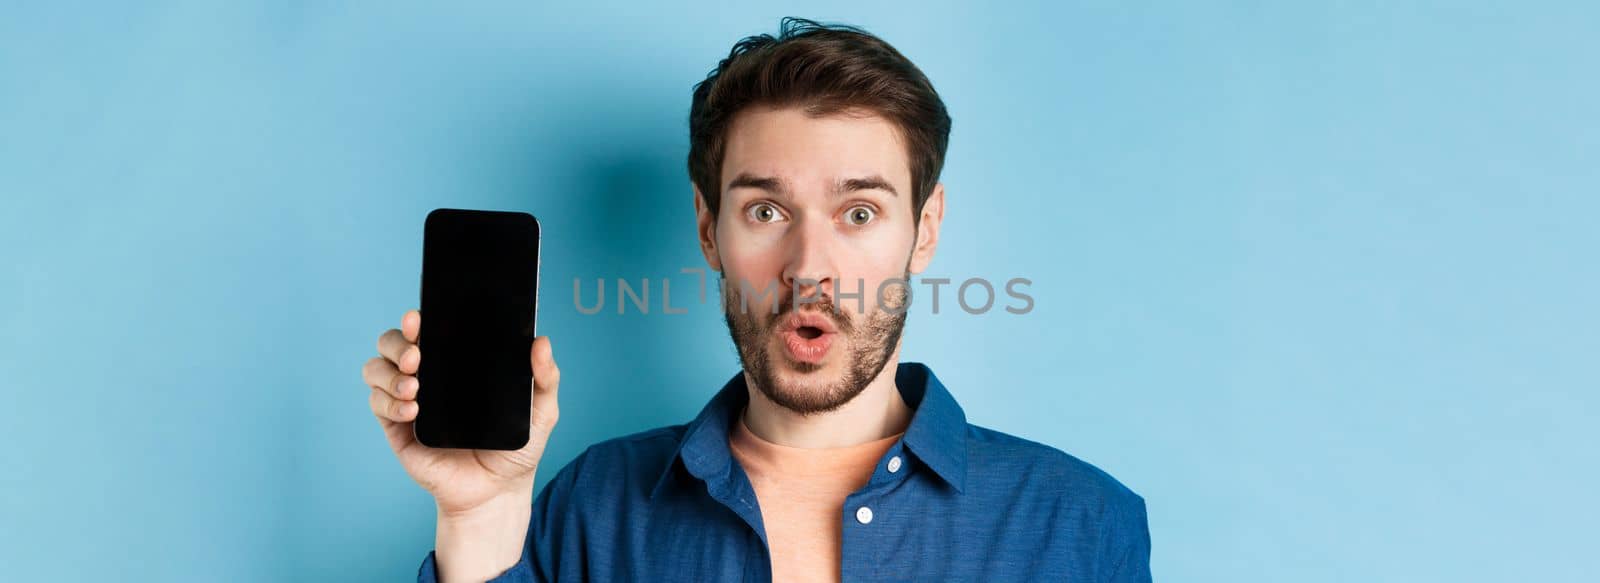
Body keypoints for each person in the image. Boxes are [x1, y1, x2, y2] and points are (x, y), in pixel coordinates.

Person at [360, 17, 1152, 583]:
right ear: (710, 230)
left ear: (926, 228)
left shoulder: (1080, 524)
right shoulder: (594, 510)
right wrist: (477, 513)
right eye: (766, 212)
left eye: (861, 213)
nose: (809, 267)